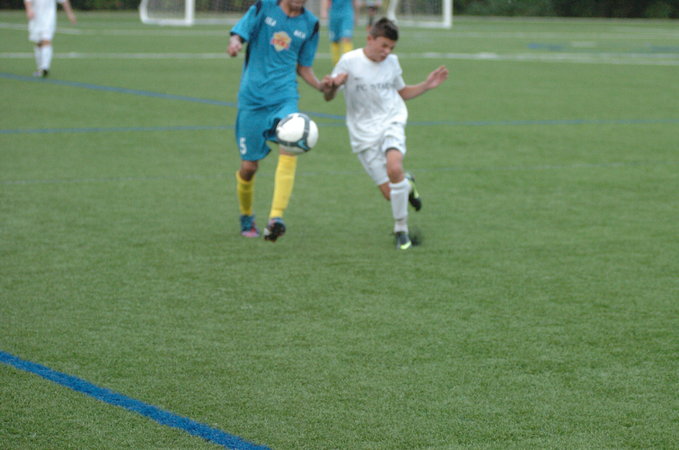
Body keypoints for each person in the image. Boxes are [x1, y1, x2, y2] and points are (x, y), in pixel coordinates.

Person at [323, 18, 448, 250]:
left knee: (394, 168)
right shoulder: (349, 61)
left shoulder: (392, 62)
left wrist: (426, 85)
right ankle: (408, 185)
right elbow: (328, 96)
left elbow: (402, 92)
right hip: (362, 133)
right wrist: (332, 85)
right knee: (391, 194)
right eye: (383, 45)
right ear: (369, 39)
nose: (387, 51)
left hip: (391, 121)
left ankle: (401, 229)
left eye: (391, 47)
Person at [227, 0, 332, 242]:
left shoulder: (311, 24)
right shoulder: (263, 7)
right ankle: (246, 216)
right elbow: (239, 33)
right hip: (252, 99)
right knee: (249, 168)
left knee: (290, 147)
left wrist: (321, 86)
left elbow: (303, 67)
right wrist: (235, 43)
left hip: (285, 98)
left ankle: (276, 218)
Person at [24, 0, 76, 78]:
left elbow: (64, 1)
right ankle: (40, 68)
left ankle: (45, 67)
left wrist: (70, 14)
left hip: (49, 18)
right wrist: (29, 10)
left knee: (46, 40)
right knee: (39, 42)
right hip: (36, 18)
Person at [320, 0, 359, 66]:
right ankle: (336, 65)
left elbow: (355, 2)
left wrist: (356, 14)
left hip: (347, 14)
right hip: (334, 15)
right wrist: (324, 10)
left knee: (346, 38)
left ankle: (348, 65)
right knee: (335, 41)